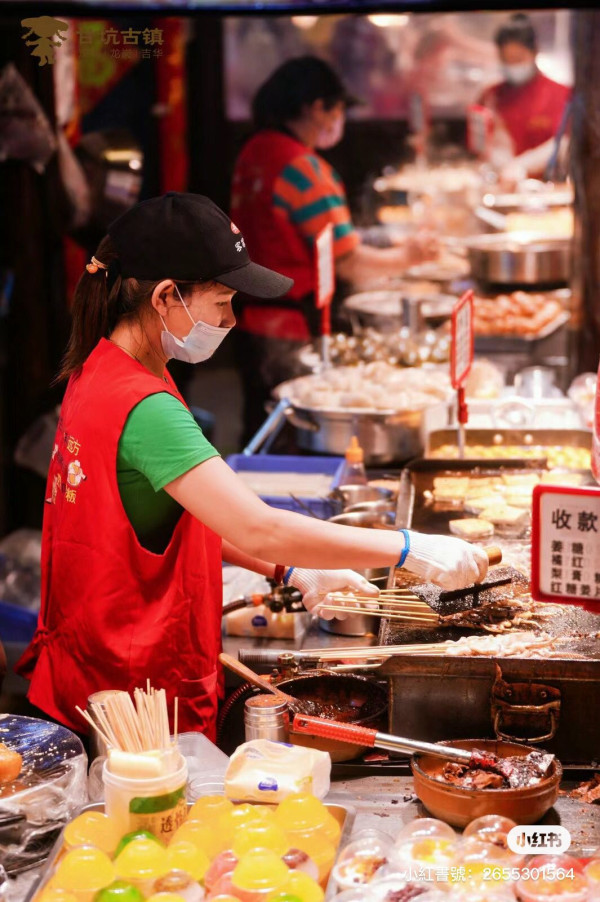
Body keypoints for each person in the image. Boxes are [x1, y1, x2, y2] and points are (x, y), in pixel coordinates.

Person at [16, 193, 488, 742]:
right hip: (134, 698)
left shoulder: (103, 369)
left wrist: (290, 570)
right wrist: (410, 548)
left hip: (94, 668)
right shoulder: (146, 408)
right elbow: (256, 524)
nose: (232, 320)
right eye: (221, 302)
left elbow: (183, 521)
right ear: (168, 296)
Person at [230, 56, 438, 445]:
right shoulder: (302, 168)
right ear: (316, 108)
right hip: (292, 326)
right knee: (298, 437)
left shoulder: (254, 152)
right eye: (338, 109)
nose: (339, 120)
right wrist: (409, 258)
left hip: (248, 319)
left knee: (261, 428)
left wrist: (386, 241)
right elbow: (350, 264)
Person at [479, 13, 571, 182]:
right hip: (500, 186)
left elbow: (565, 142)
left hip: (547, 187)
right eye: (507, 59)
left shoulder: (561, 94)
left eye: (518, 58)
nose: (513, 65)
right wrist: (500, 162)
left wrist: (522, 165)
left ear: (534, 52)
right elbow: (479, 142)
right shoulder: (490, 96)